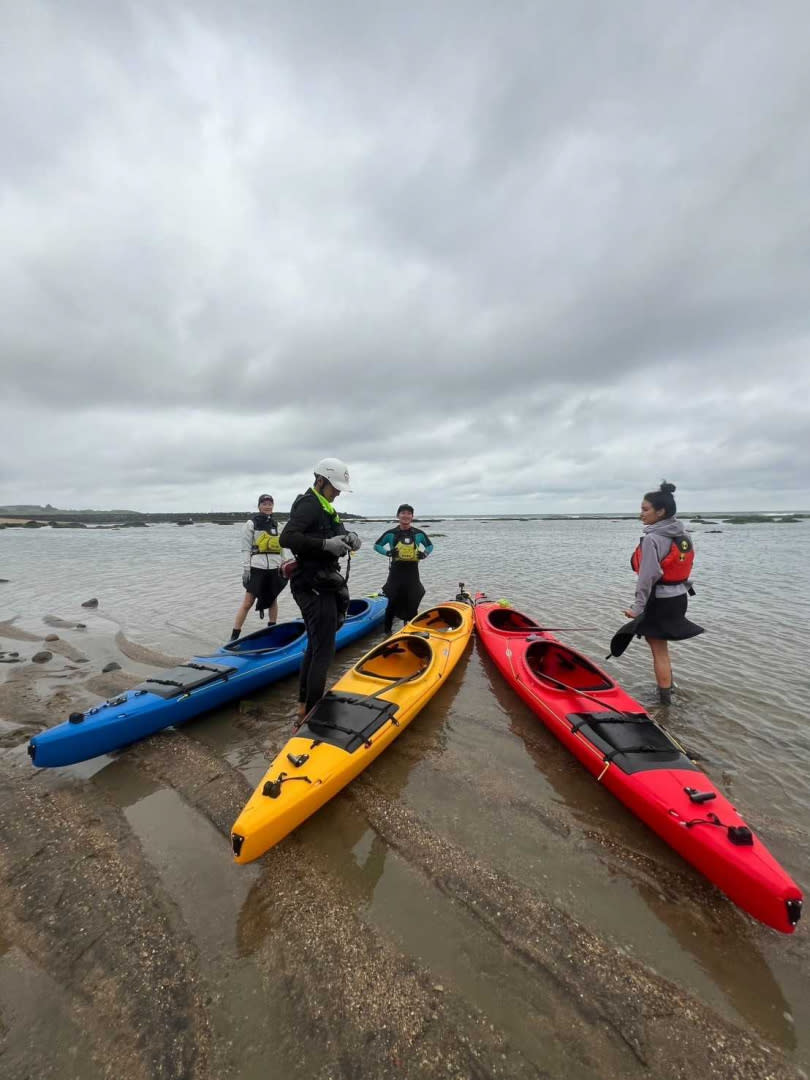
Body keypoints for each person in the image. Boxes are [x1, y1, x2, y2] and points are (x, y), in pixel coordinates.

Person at [280, 458, 362, 722]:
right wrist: (326, 545)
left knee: (316, 647)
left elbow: (338, 529)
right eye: (335, 487)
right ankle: (312, 714)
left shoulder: (326, 507)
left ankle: (303, 707)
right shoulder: (309, 504)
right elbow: (287, 537)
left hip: (321, 582)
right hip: (311, 585)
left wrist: (350, 537)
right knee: (323, 651)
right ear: (321, 481)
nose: (338, 492)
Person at [622, 481, 704, 705]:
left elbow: (647, 576)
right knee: (663, 649)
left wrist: (637, 608)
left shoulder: (652, 539)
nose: (641, 514)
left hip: (659, 599)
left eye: (645, 509)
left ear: (661, 512)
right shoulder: (683, 535)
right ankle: (669, 689)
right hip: (679, 597)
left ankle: (664, 702)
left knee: (658, 649)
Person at [229, 495, 291, 641]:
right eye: (264, 504)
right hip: (257, 567)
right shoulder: (251, 524)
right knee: (248, 602)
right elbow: (245, 548)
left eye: (270, 504)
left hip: (275, 568)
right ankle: (234, 637)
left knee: (273, 599)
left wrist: (285, 563)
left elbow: (282, 548)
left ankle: (272, 632)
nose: (268, 506)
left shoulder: (277, 525)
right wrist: (246, 569)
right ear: (259, 506)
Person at [374, 504, 433, 634]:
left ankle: (411, 630)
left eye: (408, 513)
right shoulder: (391, 533)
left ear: (412, 516)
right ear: (398, 516)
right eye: (403, 513)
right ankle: (387, 632)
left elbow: (430, 546)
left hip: (412, 572)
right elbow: (377, 545)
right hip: (396, 572)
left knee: (413, 598)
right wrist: (388, 553)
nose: (405, 516)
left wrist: (424, 554)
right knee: (392, 599)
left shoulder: (418, 533)